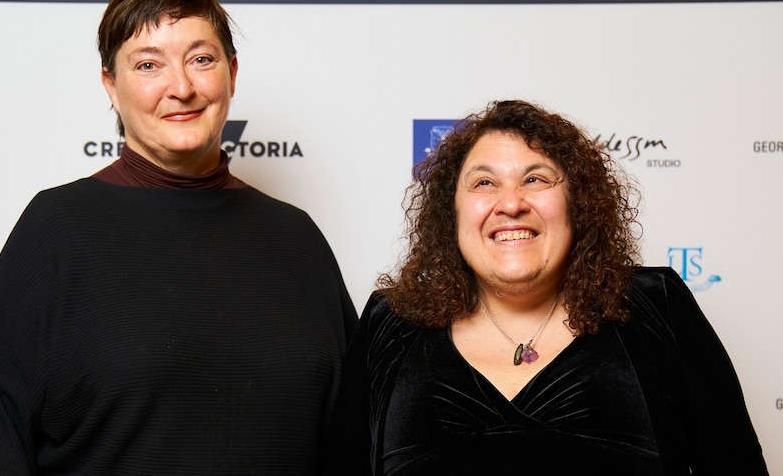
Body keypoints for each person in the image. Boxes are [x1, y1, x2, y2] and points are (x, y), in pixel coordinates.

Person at [0, 0, 357, 474]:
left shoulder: (297, 239)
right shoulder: (55, 231)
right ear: (111, 86)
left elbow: (349, 444)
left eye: (201, 59)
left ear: (232, 74)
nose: (180, 87)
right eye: (148, 65)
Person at [328, 100, 768, 475]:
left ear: (577, 203)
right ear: (452, 213)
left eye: (535, 179)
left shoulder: (656, 305)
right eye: (484, 182)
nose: (511, 202)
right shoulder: (391, 324)